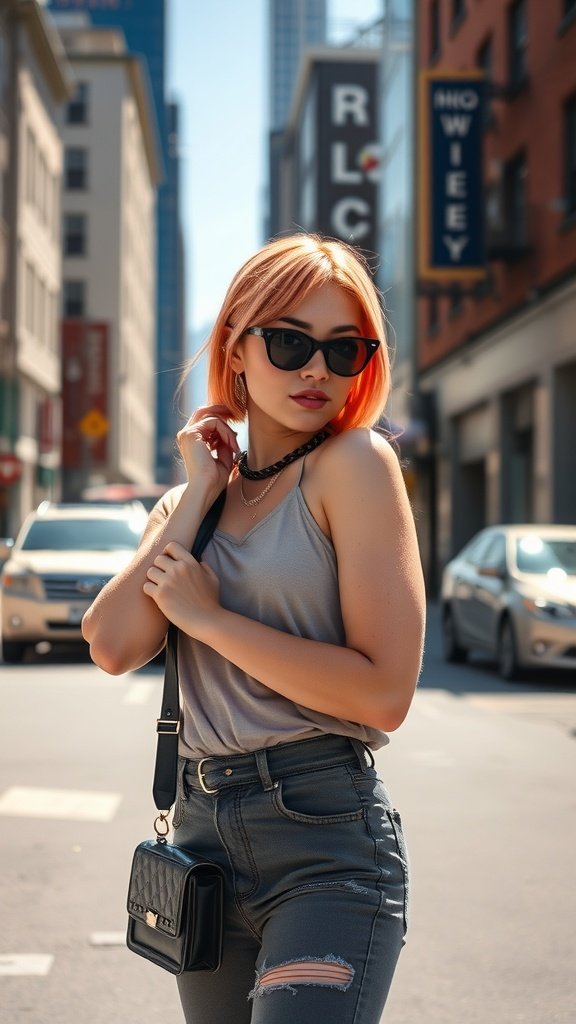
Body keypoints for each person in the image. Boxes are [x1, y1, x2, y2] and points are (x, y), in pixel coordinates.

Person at [82, 233, 426, 1024]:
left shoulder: (354, 466)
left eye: (344, 350)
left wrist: (210, 619)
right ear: (237, 346)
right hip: (200, 839)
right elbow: (111, 644)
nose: (316, 369)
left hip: (323, 841)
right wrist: (199, 492)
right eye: (289, 342)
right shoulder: (188, 507)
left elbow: (383, 694)